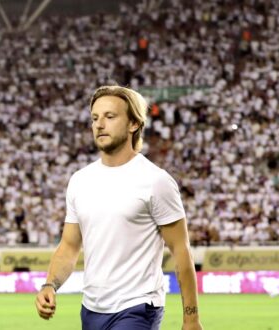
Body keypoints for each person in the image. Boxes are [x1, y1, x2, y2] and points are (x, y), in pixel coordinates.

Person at [35, 85, 203, 330]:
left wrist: (191, 318)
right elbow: (69, 246)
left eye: (110, 117)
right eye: (95, 118)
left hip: (138, 308)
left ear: (134, 124)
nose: (99, 124)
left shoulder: (156, 181)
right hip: (92, 309)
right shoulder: (80, 180)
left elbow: (181, 250)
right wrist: (49, 284)